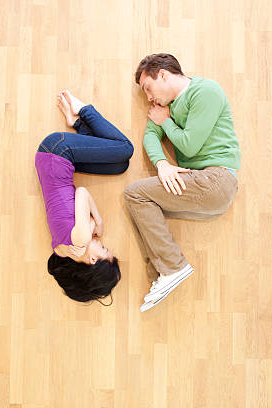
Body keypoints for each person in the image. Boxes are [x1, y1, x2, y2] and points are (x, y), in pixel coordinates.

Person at [124, 53, 241, 312]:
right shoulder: (166, 107)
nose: (149, 98)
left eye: (148, 88)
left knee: (135, 194)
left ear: (163, 75)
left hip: (218, 179)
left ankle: (173, 267)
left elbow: (190, 143)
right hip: (201, 186)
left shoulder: (205, 91)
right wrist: (162, 164)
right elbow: (150, 138)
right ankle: (162, 276)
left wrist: (165, 121)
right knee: (141, 207)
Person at [36, 90, 134, 305]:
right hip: (51, 160)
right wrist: (89, 227)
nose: (102, 243)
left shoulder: (81, 239)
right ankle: (75, 124)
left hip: (57, 149)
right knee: (120, 165)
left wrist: (97, 221)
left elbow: (82, 193)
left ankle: (82, 110)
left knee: (126, 149)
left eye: (104, 249)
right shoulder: (61, 251)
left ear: (92, 260)